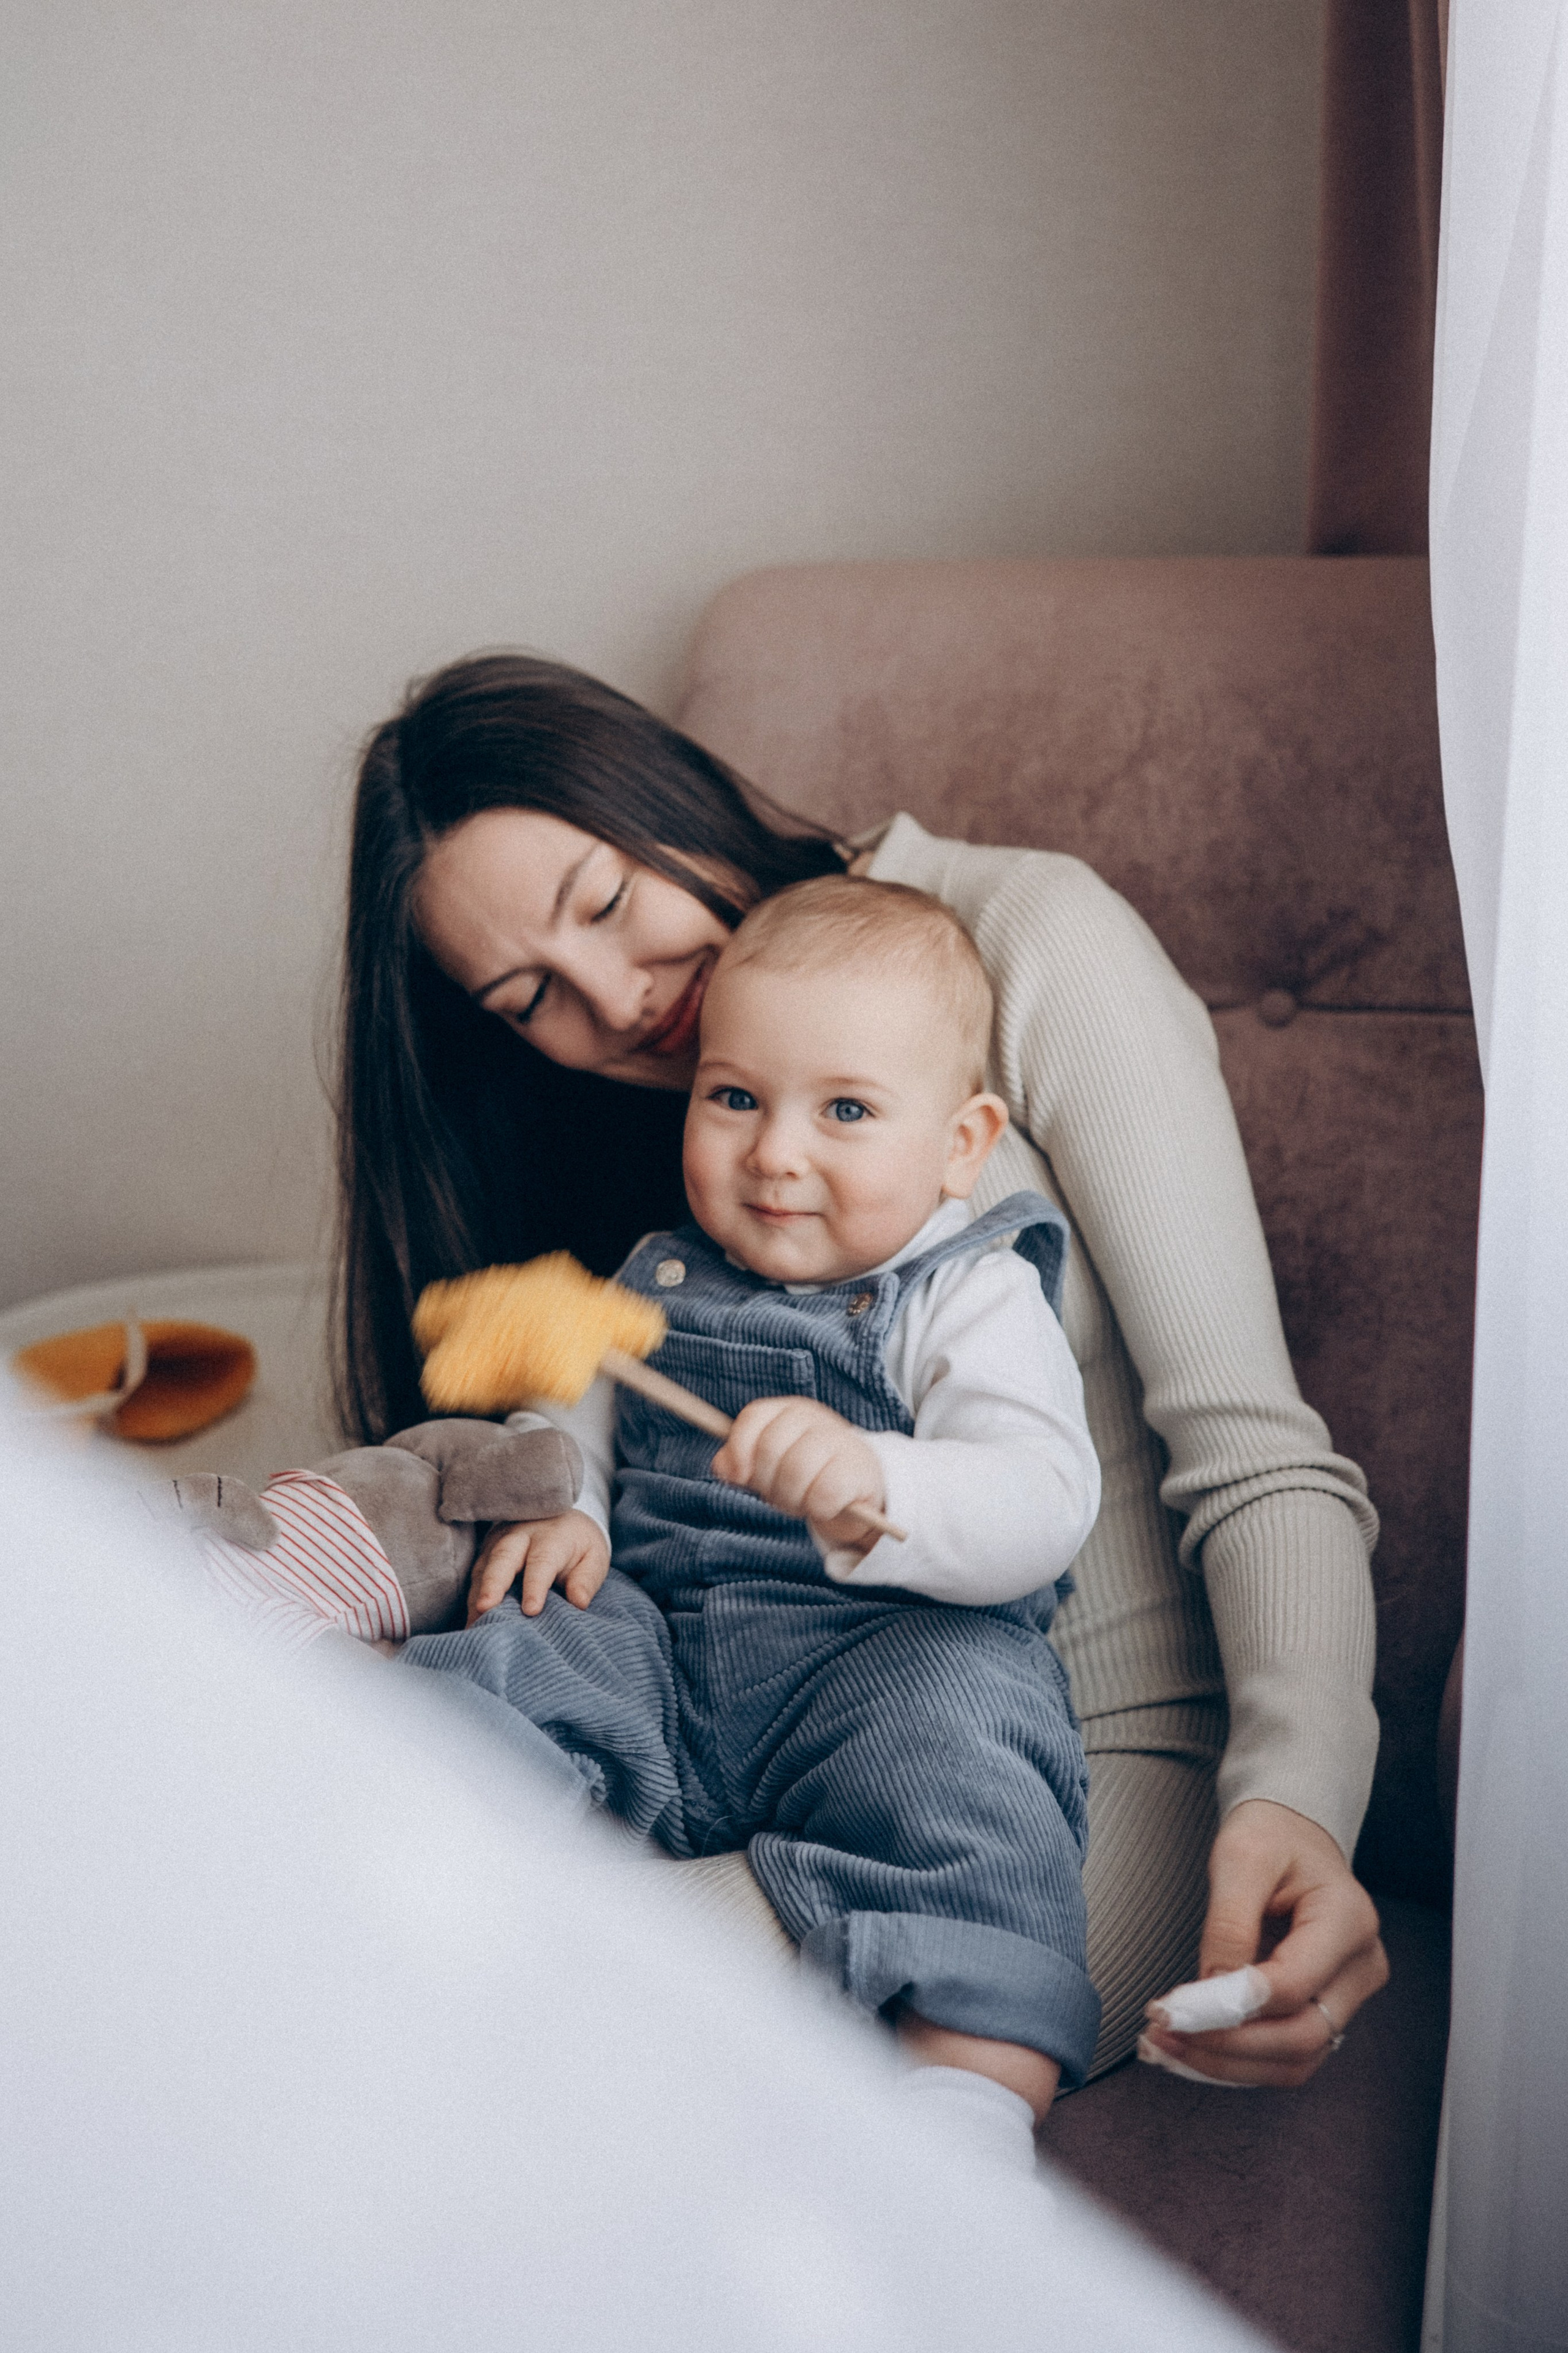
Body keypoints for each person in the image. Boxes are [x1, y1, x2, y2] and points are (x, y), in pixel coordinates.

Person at [337, 650, 1390, 2087]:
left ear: (663, 793)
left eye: (605, 903)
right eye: (532, 998)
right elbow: (561, 1405)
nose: (616, 1000)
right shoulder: (631, 1127)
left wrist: (1300, 1801)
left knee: (466, 2004)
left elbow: (1254, 1449)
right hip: (695, 1729)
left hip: (1028, 1770)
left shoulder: (1025, 943)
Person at [398, 875, 1104, 2162]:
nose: (775, 1151)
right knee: (513, 1646)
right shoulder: (656, 1273)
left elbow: (1040, 1497)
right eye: (734, 1098)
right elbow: (574, 1418)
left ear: (959, 1141)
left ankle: (962, 2120)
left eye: (843, 1110)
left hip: (883, 1658)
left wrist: (880, 1481)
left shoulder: (970, 1292)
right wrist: (570, 1509)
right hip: (662, 1637)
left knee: (977, 1781)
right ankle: (405, 1894)